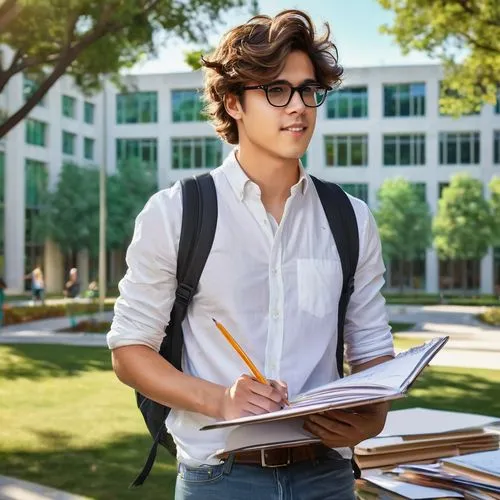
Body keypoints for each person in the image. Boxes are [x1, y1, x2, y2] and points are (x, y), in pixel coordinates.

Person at [107, 9, 394, 500]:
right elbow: (130, 351)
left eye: (307, 90)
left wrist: (371, 419)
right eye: (276, 90)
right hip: (220, 480)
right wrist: (219, 400)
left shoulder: (351, 218)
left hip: (328, 477)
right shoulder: (177, 213)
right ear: (232, 102)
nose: (298, 106)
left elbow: (371, 351)